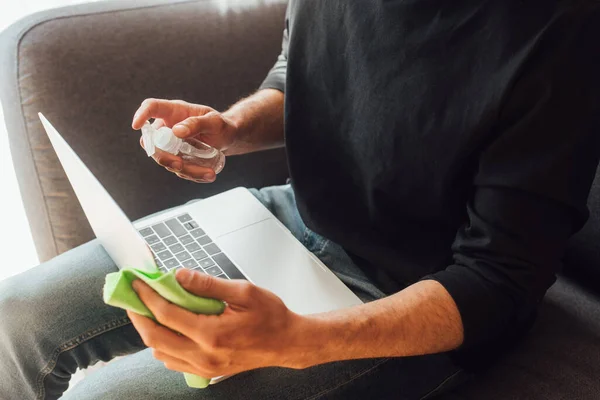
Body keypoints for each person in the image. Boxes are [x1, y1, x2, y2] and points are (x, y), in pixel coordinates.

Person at [1, 1, 599, 399]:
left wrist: (296, 339)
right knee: (15, 313)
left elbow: (501, 282)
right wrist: (230, 128)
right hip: (287, 213)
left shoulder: (564, 30)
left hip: (403, 295)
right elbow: (301, 71)